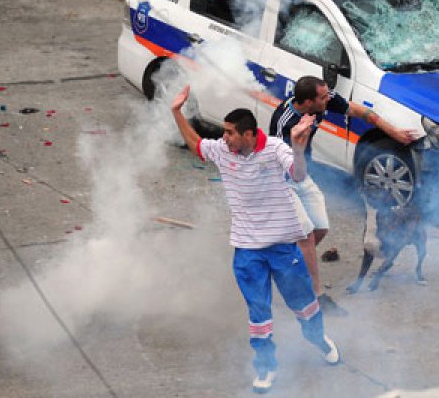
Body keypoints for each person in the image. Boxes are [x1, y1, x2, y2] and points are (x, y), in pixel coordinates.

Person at [171, 85, 339, 394]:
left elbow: (299, 176)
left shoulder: (275, 149)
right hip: (248, 251)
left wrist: (299, 148)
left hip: (282, 247)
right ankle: (266, 367)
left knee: (304, 306)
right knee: (259, 313)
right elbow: (195, 143)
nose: (225, 138)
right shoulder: (223, 151)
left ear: (250, 135)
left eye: (231, 133)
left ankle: (318, 338)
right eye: (224, 133)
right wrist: (176, 112)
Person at [269, 76, 417, 315]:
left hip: (304, 173)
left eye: (328, 95)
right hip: (283, 179)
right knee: (306, 237)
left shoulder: (322, 101)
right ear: (308, 102)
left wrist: (395, 133)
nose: (329, 99)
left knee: (320, 228)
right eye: (323, 97)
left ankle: (284, 264)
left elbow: (361, 112)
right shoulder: (284, 123)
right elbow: (275, 159)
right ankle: (316, 299)